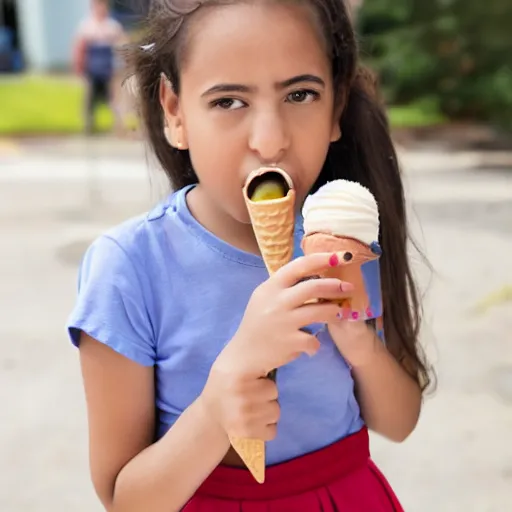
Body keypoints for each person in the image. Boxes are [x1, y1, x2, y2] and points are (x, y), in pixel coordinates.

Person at [66, 0, 432, 510]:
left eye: (301, 94)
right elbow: (125, 501)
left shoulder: (342, 240)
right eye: (228, 102)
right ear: (175, 111)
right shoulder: (129, 267)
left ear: (336, 106)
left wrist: (361, 345)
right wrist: (218, 408)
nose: (270, 141)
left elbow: (399, 422)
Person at [72, 0, 127, 134]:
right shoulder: (86, 26)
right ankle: (88, 125)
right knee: (89, 98)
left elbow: (122, 44)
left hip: (108, 67)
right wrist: (78, 65)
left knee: (114, 98)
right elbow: (79, 47)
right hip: (92, 67)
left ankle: (119, 126)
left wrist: (120, 65)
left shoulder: (112, 26)